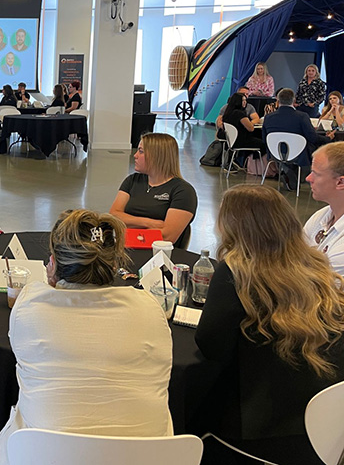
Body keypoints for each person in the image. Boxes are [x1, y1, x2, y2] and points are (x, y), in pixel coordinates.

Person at [0, 209, 173, 465]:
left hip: (44, 456)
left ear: (53, 264)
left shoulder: (29, 305)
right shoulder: (149, 308)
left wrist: (53, 284)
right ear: (114, 265)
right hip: (146, 457)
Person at [195, 185, 344, 465]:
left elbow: (211, 346)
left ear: (233, 227)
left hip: (260, 432)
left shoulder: (236, 273)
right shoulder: (316, 267)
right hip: (324, 427)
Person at [109, 133, 197, 247]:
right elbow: (113, 216)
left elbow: (167, 236)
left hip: (160, 253)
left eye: (141, 151)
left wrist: (127, 228)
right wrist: (150, 223)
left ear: (157, 156)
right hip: (127, 249)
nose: (135, 155)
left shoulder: (183, 191)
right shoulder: (132, 180)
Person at [263, 88, 332, 188]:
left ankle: (288, 172)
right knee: (315, 146)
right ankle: (304, 176)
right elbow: (312, 137)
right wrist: (328, 139)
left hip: (275, 153)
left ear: (278, 100)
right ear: (294, 100)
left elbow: (265, 138)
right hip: (298, 154)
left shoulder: (268, 117)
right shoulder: (302, 116)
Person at [304, 142, 344, 275]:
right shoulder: (321, 215)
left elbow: (314, 283)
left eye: (316, 174)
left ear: (340, 182)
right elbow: (294, 257)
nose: (308, 178)